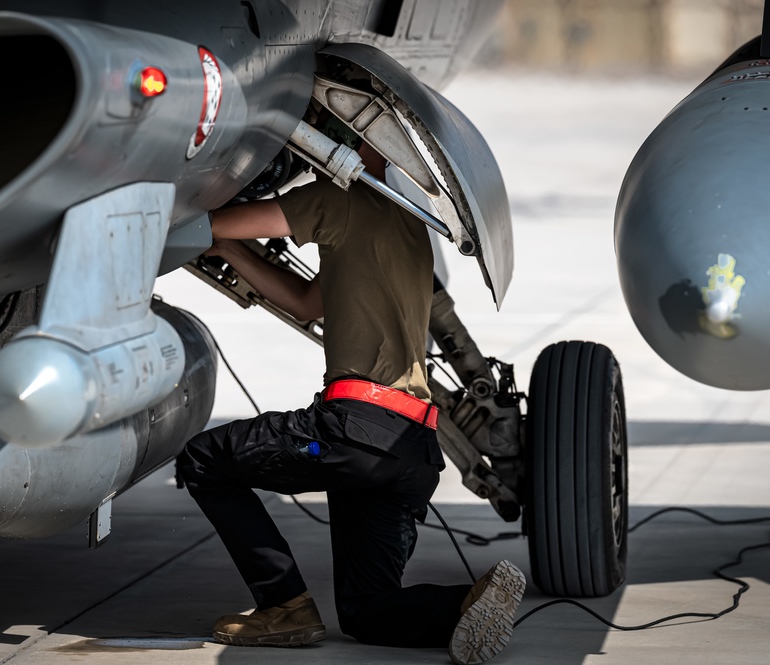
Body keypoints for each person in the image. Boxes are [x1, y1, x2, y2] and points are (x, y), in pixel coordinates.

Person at [176, 114, 525, 665]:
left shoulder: (336, 199)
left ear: (360, 145)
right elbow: (310, 304)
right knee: (367, 610)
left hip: (355, 431)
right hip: (413, 447)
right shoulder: (409, 223)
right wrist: (233, 255)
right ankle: (467, 603)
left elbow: (212, 219)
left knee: (204, 460)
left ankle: (283, 605)